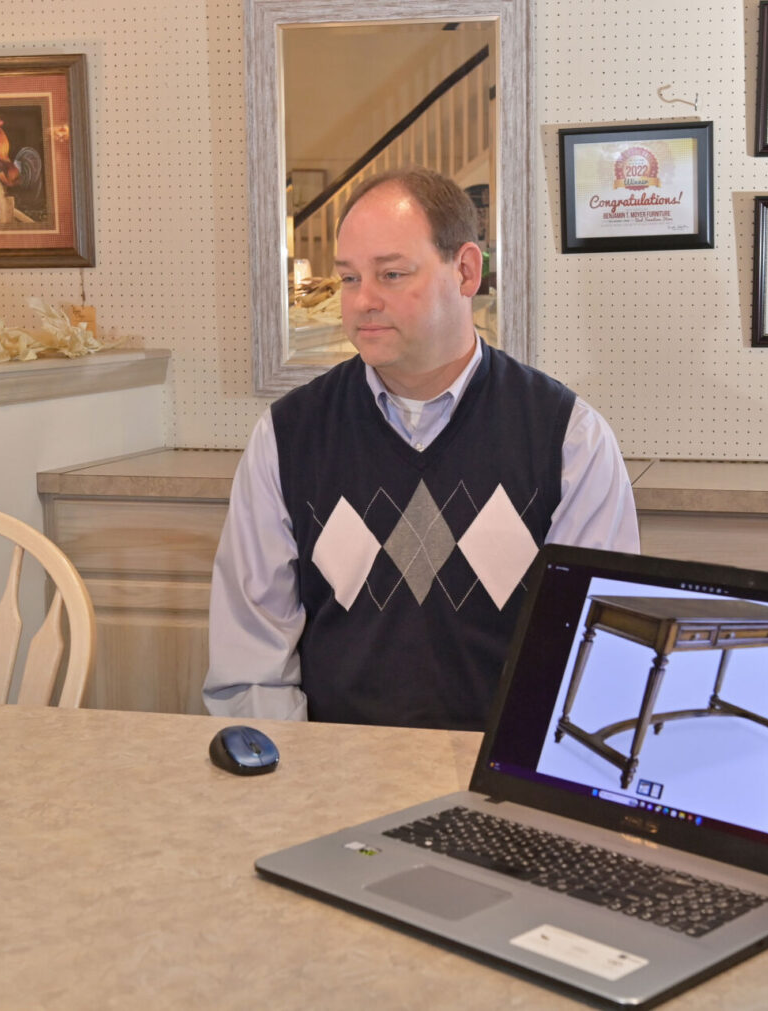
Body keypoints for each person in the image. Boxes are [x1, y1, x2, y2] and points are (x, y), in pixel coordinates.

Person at [203, 167, 639, 730]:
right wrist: (289, 784)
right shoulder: (288, 437)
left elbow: (594, 655)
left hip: (496, 782)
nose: (362, 302)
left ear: (465, 271)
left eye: (390, 274)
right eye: (350, 279)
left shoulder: (568, 439)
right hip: (333, 775)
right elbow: (252, 658)